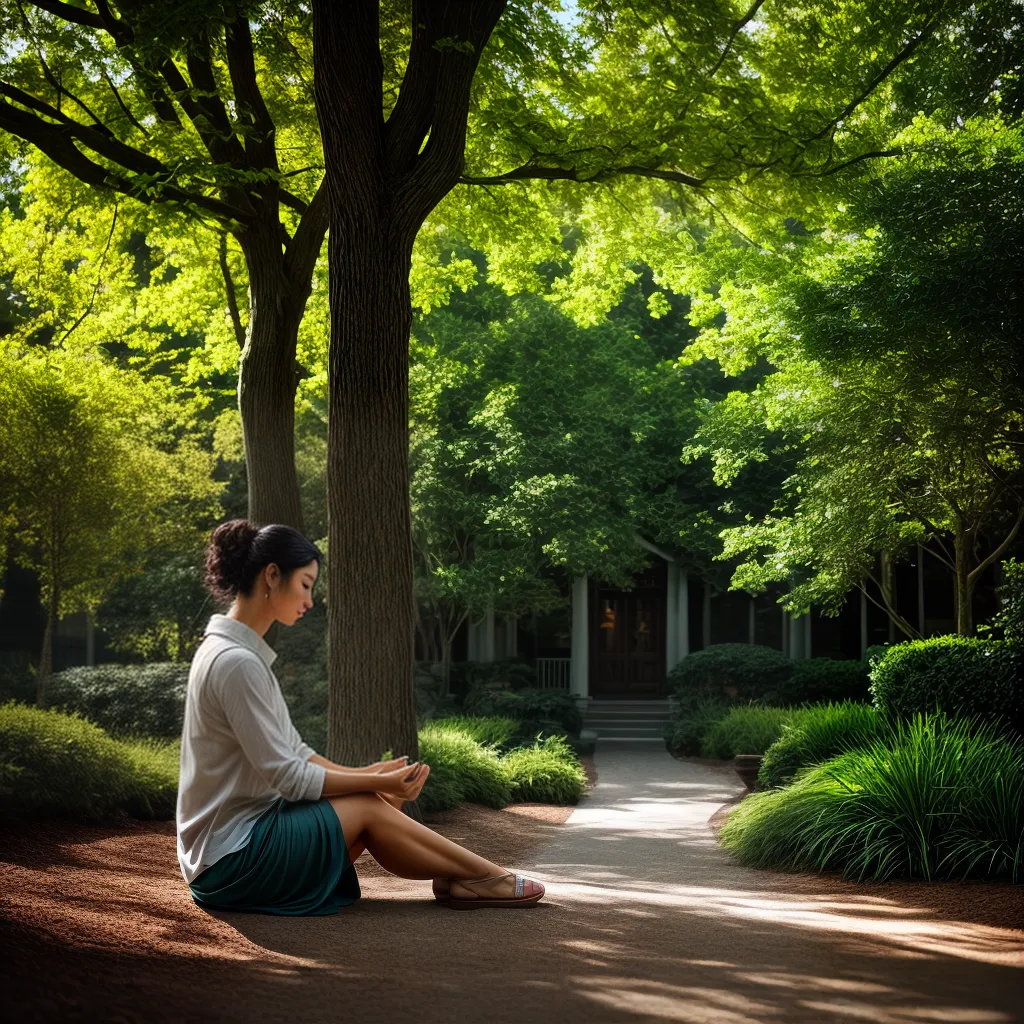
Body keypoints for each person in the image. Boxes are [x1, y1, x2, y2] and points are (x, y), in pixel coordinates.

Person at [176, 518, 545, 915]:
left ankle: (460, 878)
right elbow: (288, 776)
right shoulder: (235, 662)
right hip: (230, 859)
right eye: (305, 584)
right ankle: (489, 876)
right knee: (369, 803)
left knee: (375, 796)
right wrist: (372, 779)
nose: (310, 600)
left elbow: (297, 751)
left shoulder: (236, 654)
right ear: (271, 575)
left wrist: (373, 776)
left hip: (238, 842)